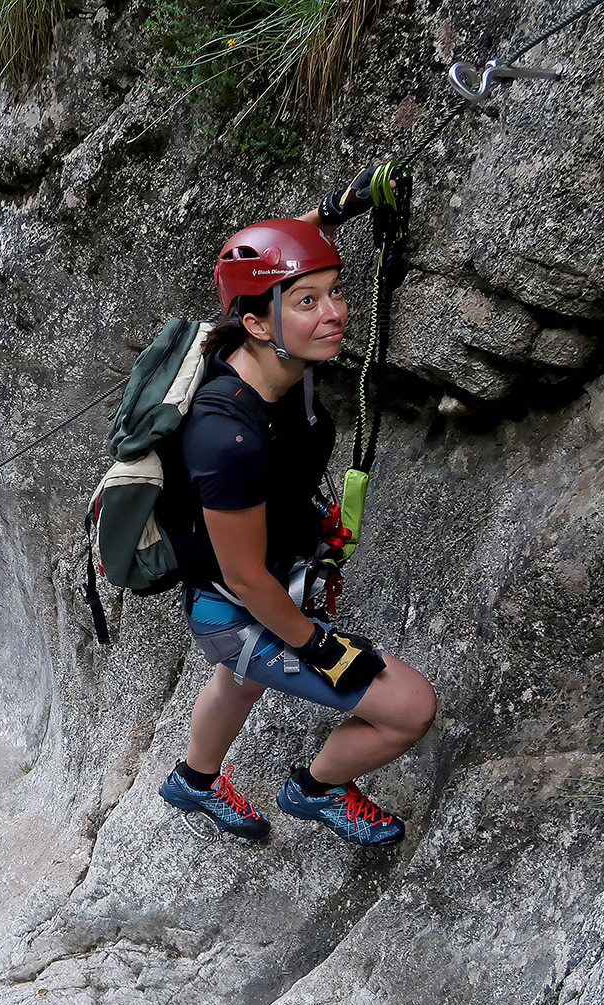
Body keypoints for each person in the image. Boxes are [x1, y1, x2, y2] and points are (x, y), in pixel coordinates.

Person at [154, 177, 436, 846]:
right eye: (308, 302)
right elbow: (247, 577)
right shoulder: (230, 437)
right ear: (256, 322)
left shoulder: (264, 347)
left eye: (336, 292)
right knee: (409, 709)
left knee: (239, 681)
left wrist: (334, 211)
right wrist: (321, 647)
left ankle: (192, 783)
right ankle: (317, 790)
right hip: (239, 605)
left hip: (270, 587)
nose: (334, 312)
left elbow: (259, 267)